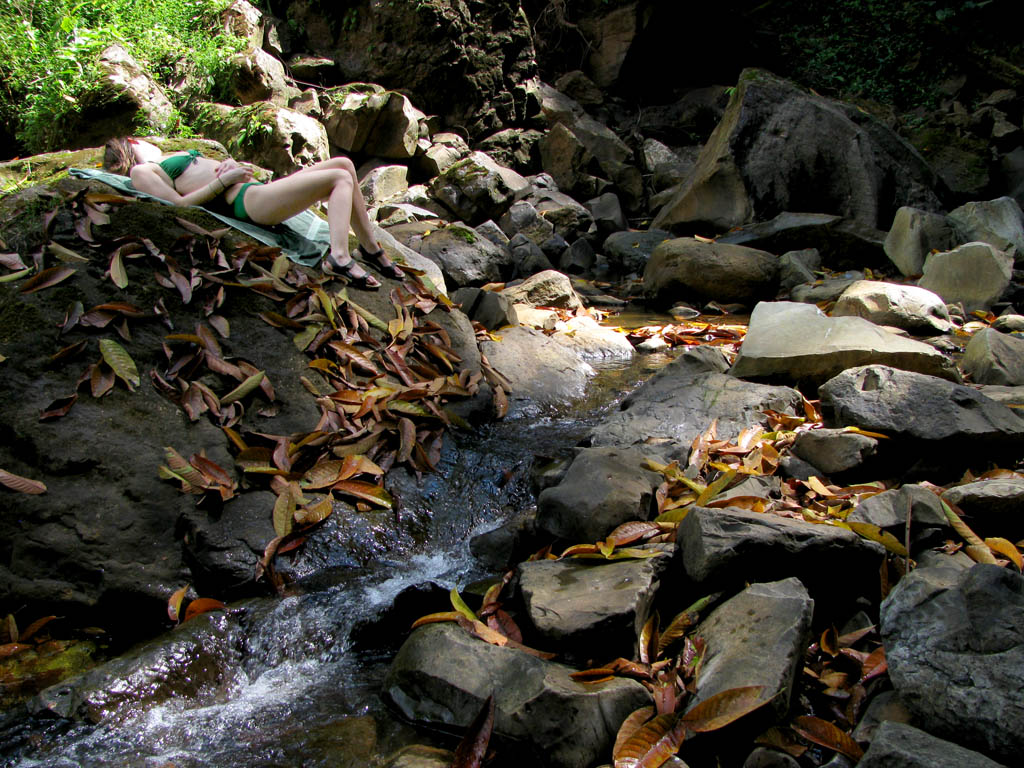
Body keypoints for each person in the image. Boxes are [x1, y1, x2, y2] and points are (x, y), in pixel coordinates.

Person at [102, 137, 403, 289]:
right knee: (339, 179)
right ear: (131, 145)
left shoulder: (166, 158)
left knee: (344, 165)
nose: (147, 141)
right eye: (138, 140)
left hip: (254, 190)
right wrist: (224, 180)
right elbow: (180, 205)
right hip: (248, 201)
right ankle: (338, 257)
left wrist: (231, 167)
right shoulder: (143, 170)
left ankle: (370, 249)